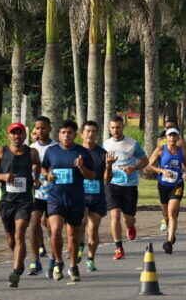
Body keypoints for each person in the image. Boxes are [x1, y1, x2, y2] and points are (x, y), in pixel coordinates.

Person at [0, 123, 41, 287]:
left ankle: (16, 271)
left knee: (20, 234)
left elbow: (37, 164)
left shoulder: (31, 152)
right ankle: (19, 259)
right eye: (13, 133)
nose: (17, 136)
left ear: (25, 135)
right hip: (6, 201)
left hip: (25, 201)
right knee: (11, 238)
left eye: (20, 133)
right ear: (9, 136)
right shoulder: (1, 152)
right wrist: (2, 176)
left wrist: (36, 178)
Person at [40, 121, 96, 282]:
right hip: (55, 198)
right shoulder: (51, 151)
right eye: (63, 132)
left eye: (69, 132)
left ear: (75, 134)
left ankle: (73, 265)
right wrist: (47, 175)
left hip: (75, 200)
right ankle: (58, 262)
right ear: (58, 134)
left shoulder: (82, 152)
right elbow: (44, 168)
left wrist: (81, 168)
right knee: (56, 230)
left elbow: (92, 176)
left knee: (72, 236)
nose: (66, 135)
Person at [103, 116, 148, 260]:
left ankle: (130, 226)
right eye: (113, 128)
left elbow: (144, 160)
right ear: (109, 129)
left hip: (129, 185)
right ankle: (118, 247)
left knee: (128, 218)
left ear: (123, 127)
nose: (116, 130)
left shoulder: (132, 144)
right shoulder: (105, 144)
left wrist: (134, 167)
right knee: (114, 215)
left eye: (118, 127)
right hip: (112, 184)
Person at [148, 128, 186, 254]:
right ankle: (170, 231)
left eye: (174, 136)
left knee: (172, 213)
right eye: (170, 136)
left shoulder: (180, 151)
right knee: (166, 215)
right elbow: (149, 165)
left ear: (177, 138)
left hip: (177, 185)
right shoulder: (161, 150)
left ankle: (169, 241)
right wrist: (162, 171)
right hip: (163, 185)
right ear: (166, 138)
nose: (172, 138)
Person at [79, 121, 111, 271]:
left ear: (97, 134)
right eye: (87, 131)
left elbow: (107, 179)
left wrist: (109, 165)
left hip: (97, 195)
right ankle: (79, 246)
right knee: (81, 222)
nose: (90, 134)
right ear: (82, 134)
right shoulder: (76, 151)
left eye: (93, 131)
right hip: (79, 195)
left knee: (93, 230)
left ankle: (90, 258)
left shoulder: (102, 153)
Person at [28, 116, 58, 277]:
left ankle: (54, 259)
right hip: (37, 194)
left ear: (49, 128)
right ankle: (35, 261)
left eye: (43, 128)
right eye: (38, 128)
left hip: (54, 194)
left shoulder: (56, 147)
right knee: (33, 224)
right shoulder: (31, 148)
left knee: (51, 227)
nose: (40, 131)